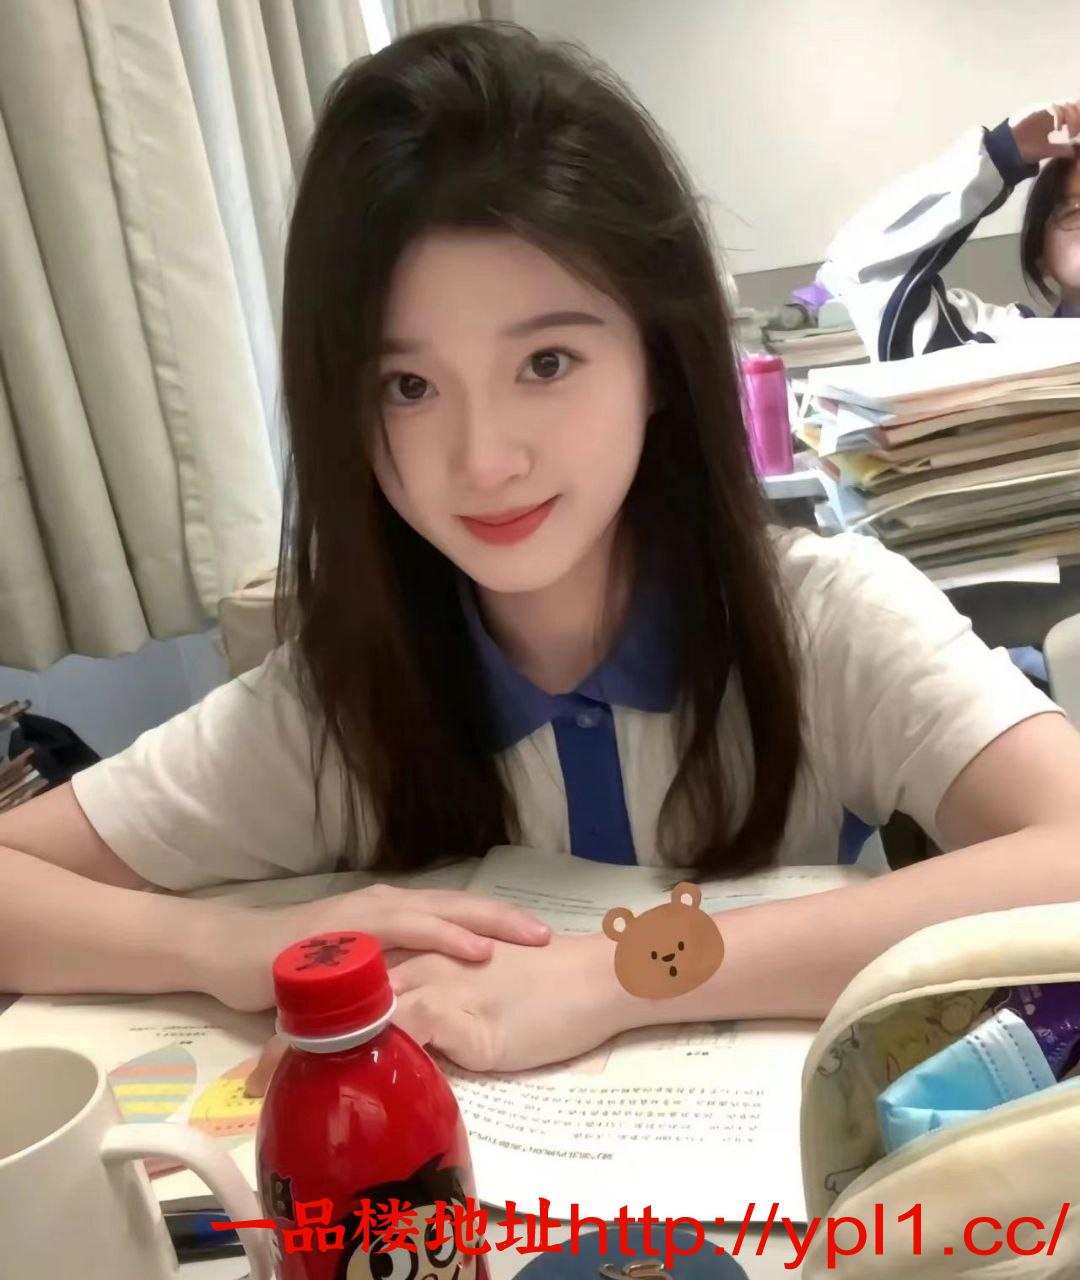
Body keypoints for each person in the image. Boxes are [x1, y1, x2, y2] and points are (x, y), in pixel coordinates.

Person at [2, 24, 1079, 1083]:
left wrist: (624, 973)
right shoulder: (336, 705)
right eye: (408, 386)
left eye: (547, 361)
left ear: (659, 361)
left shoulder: (821, 619)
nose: (483, 461)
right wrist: (235, 948)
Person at [817, 99, 1080, 361]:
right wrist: (1001, 153)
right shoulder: (1013, 347)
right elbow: (861, 267)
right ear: (1040, 256)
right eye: (1075, 212)